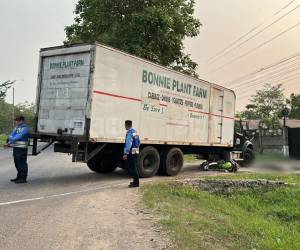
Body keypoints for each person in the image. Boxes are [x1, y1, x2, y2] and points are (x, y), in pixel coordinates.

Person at [5, 116, 29, 184]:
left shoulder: (25, 128)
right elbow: (12, 135)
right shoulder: (17, 128)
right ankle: (19, 176)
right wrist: (9, 143)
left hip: (22, 149)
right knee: (17, 163)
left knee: (22, 163)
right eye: (16, 120)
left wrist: (11, 138)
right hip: (16, 148)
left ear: (22, 121)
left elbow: (18, 136)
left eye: (18, 121)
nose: (17, 122)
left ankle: (23, 178)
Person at [123, 120, 140, 188]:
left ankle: (136, 183)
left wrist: (125, 153)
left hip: (131, 151)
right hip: (136, 150)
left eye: (125, 125)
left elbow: (128, 144)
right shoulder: (135, 132)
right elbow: (138, 142)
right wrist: (136, 148)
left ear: (127, 125)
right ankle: (135, 181)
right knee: (134, 166)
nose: (124, 126)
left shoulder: (129, 132)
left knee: (132, 167)